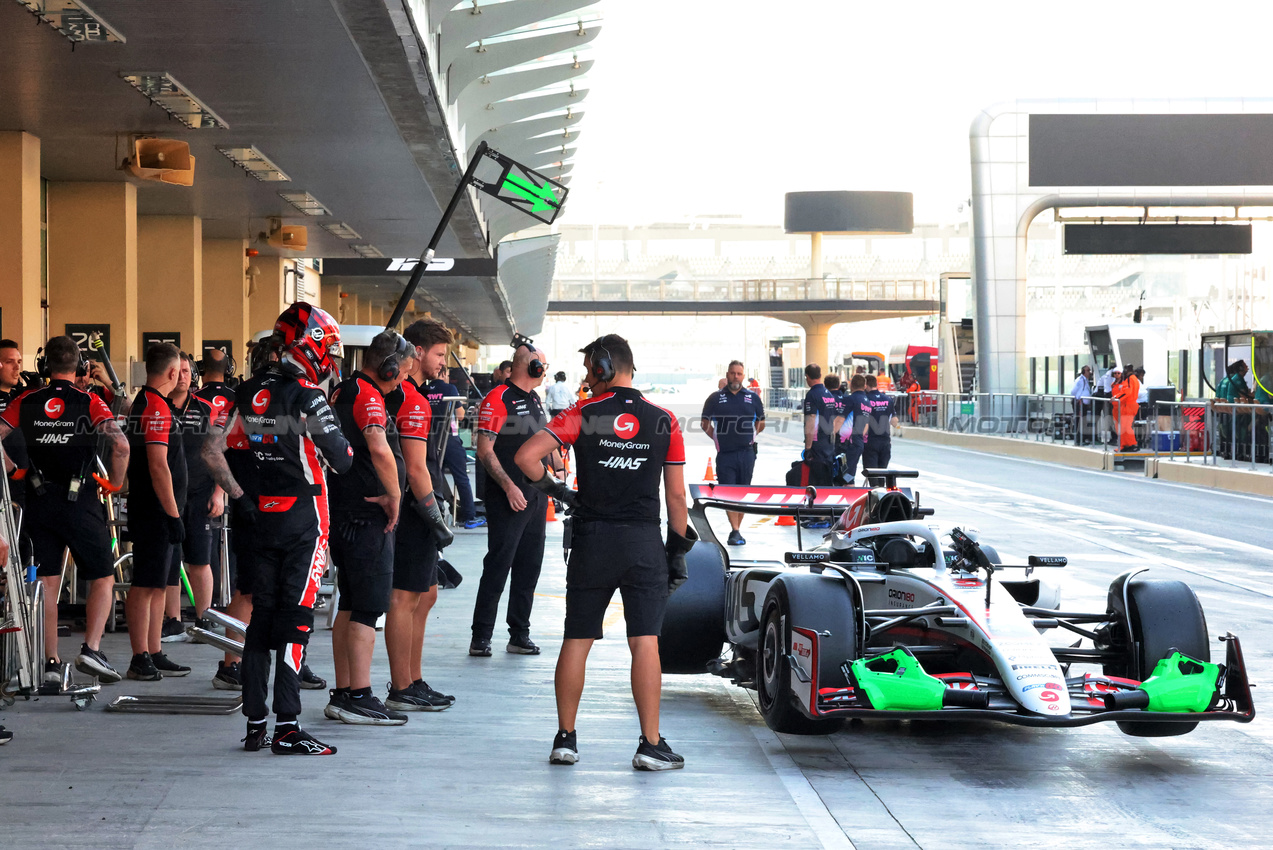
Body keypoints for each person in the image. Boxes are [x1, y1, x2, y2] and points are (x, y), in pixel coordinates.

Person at [513, 333, 689, 771]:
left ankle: (565, 739)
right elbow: (677, 497)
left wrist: (560, 493)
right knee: (644, 640)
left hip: (592, 541)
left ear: (603, 368)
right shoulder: (665, 419)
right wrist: (678, 552)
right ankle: (650, 744)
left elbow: (526, 457)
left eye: (590, 370)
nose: (587, 378)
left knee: (577, 637)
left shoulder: (583, 413)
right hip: (643, 543)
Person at [203, 303, 353, 755]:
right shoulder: (307, 396)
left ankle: (255, 726)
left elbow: (210, 450)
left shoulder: (243, 391)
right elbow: (343, 459)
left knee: (260, 622)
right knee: (296, 622)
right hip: (305, 520)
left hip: (259, 516)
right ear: (312, 347)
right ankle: (287, 727)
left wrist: (239, 496)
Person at [0, 335, 129, 684]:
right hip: (80, 500)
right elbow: (121, 445)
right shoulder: (89, 401)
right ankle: (91, 649)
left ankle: (51, 663)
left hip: (39, 500)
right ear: (80, 367)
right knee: (102, 575)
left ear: (45, 366)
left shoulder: (26, 400)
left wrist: (13, 469)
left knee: (46, 583)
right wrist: (115, 484)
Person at [383, 319, 456, 712]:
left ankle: (414, 678)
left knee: (426, 594)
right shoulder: (405, 396)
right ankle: (401, 686)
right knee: (404, 596)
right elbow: (413, 467)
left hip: (423, 502)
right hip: (412, 507)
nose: (443, 362)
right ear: (418, 351)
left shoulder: (415, 394)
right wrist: (433, 514)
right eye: (440, 354)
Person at [470, 342, 554, 657]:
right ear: (531, 366)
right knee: (498, 564)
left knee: (529, 566)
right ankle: (481, 637)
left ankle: (519, 634)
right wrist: (508, 487)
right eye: (542, 365)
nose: (544, 371)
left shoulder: (535, 399)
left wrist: (555, 479)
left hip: (536, 496)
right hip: (509, 497)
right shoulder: (498, 398)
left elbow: (542, 442)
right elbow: (484, 450)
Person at [160, 354, 220, 643]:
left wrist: (220, 493)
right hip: (167, 495)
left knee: (200, 559)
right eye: (178, 371)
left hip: (200, 494)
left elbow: (220, 454)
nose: (182, 376)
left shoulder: (206, 409)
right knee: (169, 560)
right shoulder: (158, 406)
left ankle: (203, 619)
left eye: (187, 371)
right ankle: (173, 621)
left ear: (193, 374)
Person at [700, 360, 765, 545]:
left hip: (747, 453)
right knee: (728, 492)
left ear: (743, 376)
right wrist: (716, 438)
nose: (735, 376)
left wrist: (751, 435)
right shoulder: (715, 398)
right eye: (732, 373)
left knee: (743, 492)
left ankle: (737, 529)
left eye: (739, 373)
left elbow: (761, 422)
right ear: (727, 374)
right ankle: (735, 530)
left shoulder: (752, 398)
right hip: (725, 454)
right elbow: (705, 423)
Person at [801, 364, 842, 486]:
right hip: (828, 445)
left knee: (816, 483)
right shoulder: (829, 394)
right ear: (820, 376)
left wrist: (808, 448)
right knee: (827, 482)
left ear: (807, 377)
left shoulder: (812, 395)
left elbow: (811, 420)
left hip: (817, 446)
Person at [861, 374, 901, 471]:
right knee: (882, 473)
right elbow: (894, 422)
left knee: (871, 473)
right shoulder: (888, 399)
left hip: (870, 441)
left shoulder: (865, 400)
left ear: (866, 385)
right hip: (885, 441)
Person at [842, 374, 870, 484]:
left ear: (851, 385)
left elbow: (839, 419)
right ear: (864, 386)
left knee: (844, 475)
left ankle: (846, 492)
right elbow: (866, 425)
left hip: (849, 443)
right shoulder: (867, 401)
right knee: (849, 475)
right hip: (858, 442)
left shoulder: (850, 399)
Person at [1111, 363, 1140, 452]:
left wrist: (1116, 398)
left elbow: (1127, 392)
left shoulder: (1130, 379)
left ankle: (1132, 444)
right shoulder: (1132, 379)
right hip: (1128, 405)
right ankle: (1125, 445)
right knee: (1124, 427)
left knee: (1125, 427)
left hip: (1129, 405)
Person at [1071, 365, 1093, 442]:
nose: (1089, 372)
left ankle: (1082, 438)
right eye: (1088, 370)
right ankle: (1078, 439)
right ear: (1083, 372)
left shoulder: (1086, 380)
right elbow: (1073, 391)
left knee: (1083, 421)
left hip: (1084, 404)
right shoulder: (1080, 380)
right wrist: (1078, 398)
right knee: (1079, 420)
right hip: (1080, 403)